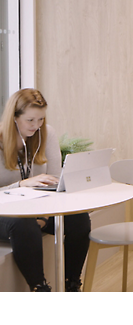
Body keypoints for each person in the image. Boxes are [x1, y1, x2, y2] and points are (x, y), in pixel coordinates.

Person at [0, 89, 91, 291]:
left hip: (38, 211)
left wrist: (45, 217)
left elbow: (55, 183)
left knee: (79, 220)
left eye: (40, 119)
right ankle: (40, 289)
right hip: (7, 214)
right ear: (13, 118)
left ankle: (72, 285)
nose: (36, 125)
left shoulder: (46, 133)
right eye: (30, 120)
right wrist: (21, 184)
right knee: (24, 225)